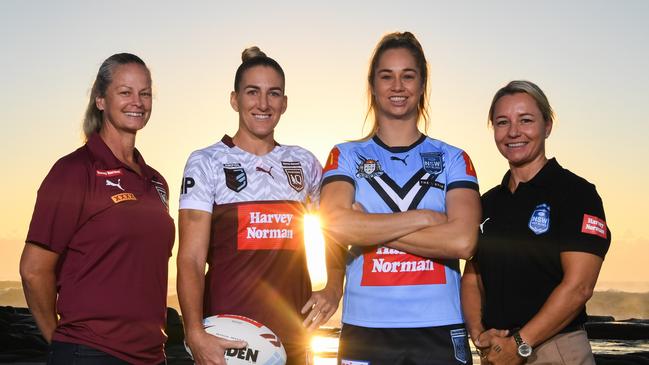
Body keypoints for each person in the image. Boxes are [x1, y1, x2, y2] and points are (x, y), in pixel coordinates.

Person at [320, 31, 481, 365]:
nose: (397, 86)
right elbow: (335, 224)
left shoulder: (453, 158)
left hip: (438, 327)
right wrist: (425, 219)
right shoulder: (346, 155)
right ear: (373, 85)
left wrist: (367, 230)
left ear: (422, 84)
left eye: (408, 76)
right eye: (386, 76)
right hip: (367, 327)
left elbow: (464, 241)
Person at [177, 46, 339, 365]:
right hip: (229, 339)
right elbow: (191, 258)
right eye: (253, 92)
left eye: (273, 93)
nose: (263, 104)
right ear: (235, 99)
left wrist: (334, 286)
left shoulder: (303, 162)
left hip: (294, 335)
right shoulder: (206, 162)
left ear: (285, 102)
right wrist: (194, 332)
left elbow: (336, 228)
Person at [20, 53, 175, 364]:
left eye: (144, 93)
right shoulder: (74, 171)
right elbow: (33, 269)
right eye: (125, 92)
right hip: (90, 352)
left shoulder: (156, 181)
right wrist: (61, 343)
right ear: (101, 100)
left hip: (151, 356)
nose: (138, 101)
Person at [461, 80, 611, 365]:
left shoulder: (576, 193)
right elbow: (472, 276)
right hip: (496, 353)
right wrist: (479, 335)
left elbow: (579, 286)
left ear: (547, 125)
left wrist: (519, 344)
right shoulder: (487, 203)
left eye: (526, 120)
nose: (513, 132)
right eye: (502, 122)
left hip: (554, 350)